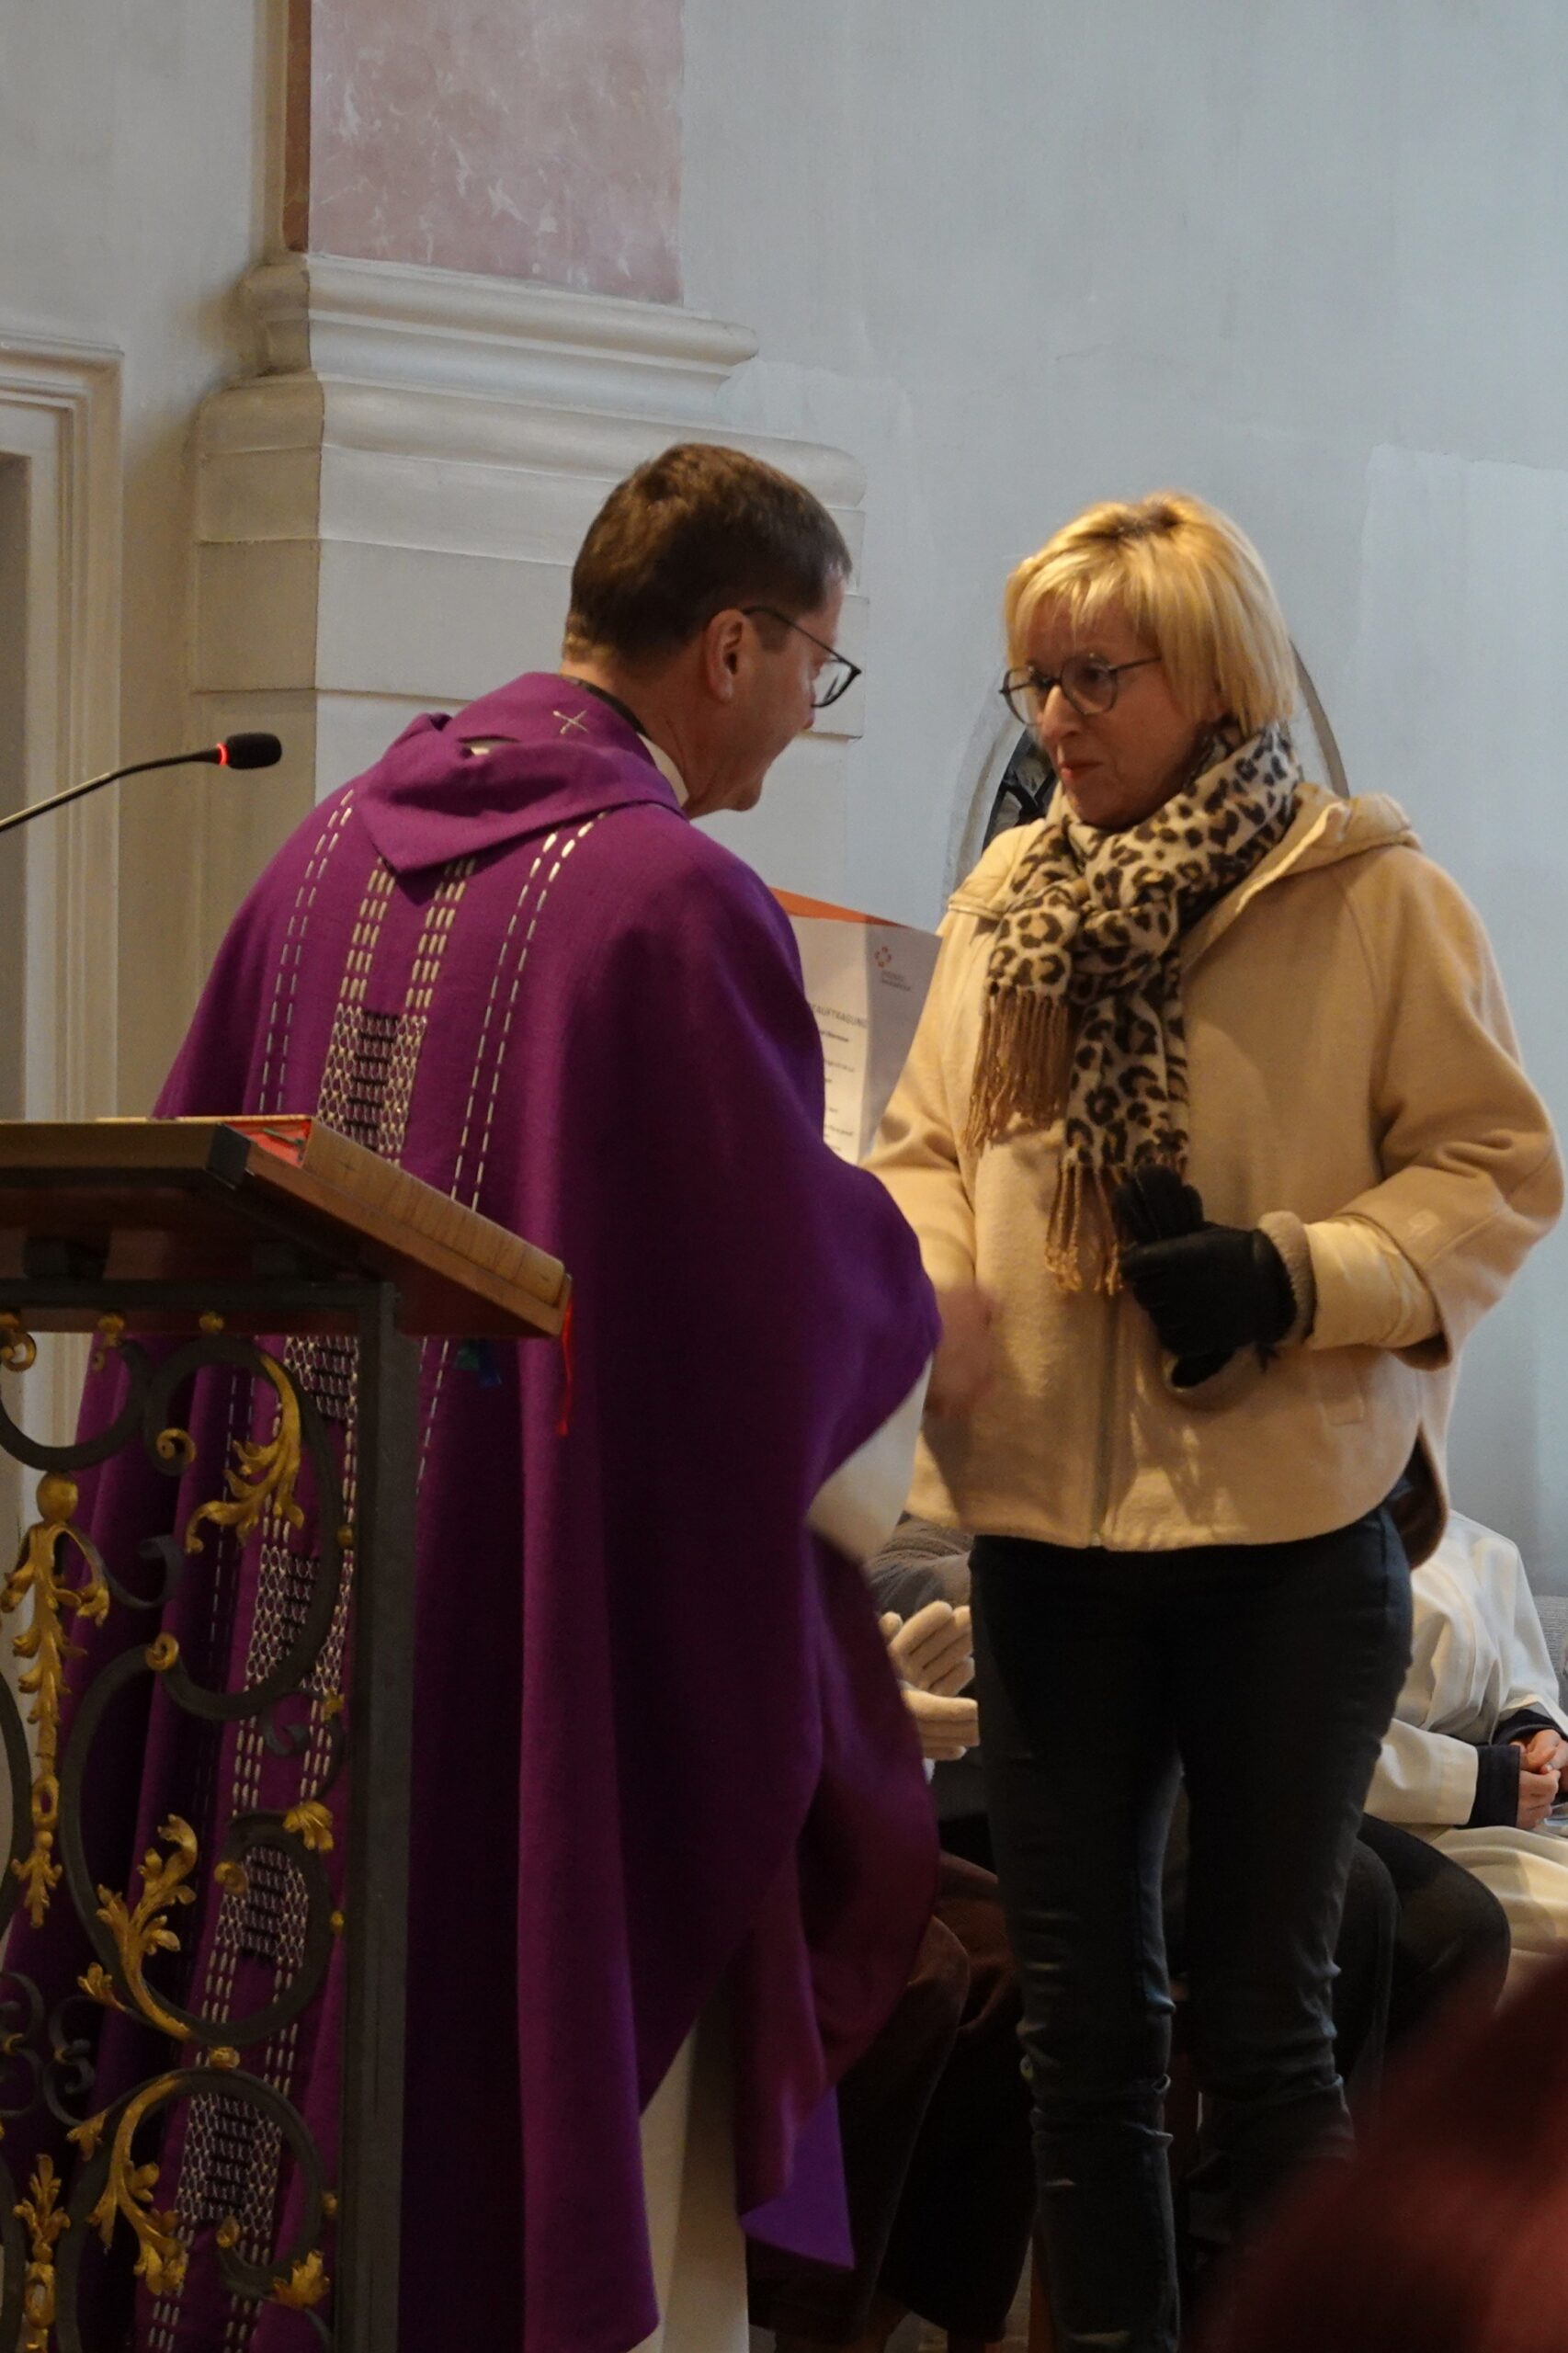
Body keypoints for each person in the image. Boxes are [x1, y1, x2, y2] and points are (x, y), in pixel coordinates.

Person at [5, 445, 942, 2353]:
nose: (804, 710)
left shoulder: (322, 857)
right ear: (733, 645)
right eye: (816, 666)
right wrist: (918, 1291)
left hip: (264, 1647)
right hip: (517, 1661)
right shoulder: (673, 905)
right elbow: (764, 1315)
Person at [869, 490, 1562, 2352]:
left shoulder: (1372, 897)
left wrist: (1291, 1274)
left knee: (1268, 2030)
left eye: (1097, 675)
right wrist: (940, 1292)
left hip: (1286, 1548)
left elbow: (1496, 1170)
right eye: (1035, 682)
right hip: (1045, 1537)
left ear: (1215, 675)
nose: (1056, 718)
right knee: (1080, 2040)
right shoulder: (1006, 902)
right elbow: (926, 1148)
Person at [1366, 1508, 1568, 1987]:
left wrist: (1534, 1736)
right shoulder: (1296, 1552)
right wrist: (1479, 1782)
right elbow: (1308, 1740)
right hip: (1390, 1828)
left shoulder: (1487, 1548)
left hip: (1494, 1817)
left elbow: (1520, 1683)